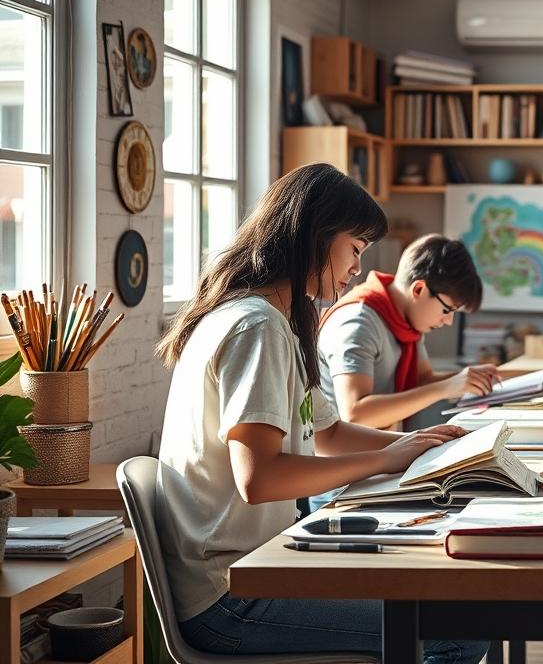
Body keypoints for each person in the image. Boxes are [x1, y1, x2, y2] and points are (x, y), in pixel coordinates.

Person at [156, 164, 487, 664]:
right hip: (230, 595)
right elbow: (260, 478)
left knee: (447, 598)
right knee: (458, 629)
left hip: (262, 563)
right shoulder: (256, 326)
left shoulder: (280, 320)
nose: (357, 267)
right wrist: (387, 459)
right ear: (314, 234)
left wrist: (426, 448)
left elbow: (327, 432)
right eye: (354, 248)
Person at [318, 234, 497, 432]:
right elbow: (356, 414)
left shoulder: (406, 320)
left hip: (387, 451)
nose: (448, 321)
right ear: (419, 290)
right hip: (350, 459)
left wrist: (471, 379)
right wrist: (447, 387)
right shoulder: (358, 323)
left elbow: (422, 380)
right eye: (447, 310)